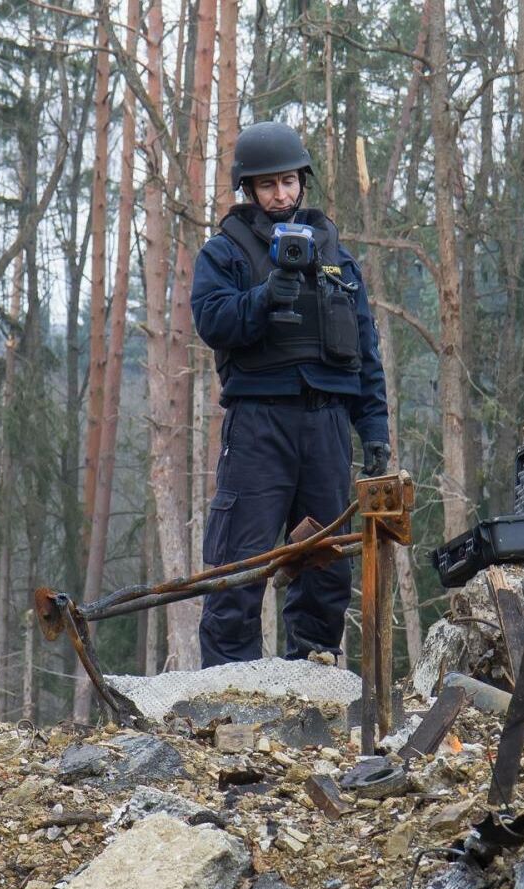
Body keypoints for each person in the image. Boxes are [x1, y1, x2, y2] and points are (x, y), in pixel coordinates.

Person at [190, 121, 390, 666]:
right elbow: (210, 320)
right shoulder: (225, 253)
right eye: (267, 185)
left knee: (325, 570)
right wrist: (262, 298)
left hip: (327, 427)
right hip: (259, 425)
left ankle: (315, 687)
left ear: (303, 182)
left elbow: (366, 352)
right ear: (248, 190)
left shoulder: (337, 257)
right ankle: (227, 700)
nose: (281, 195)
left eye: (288, 182)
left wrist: (373, 431)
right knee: (239, 568)